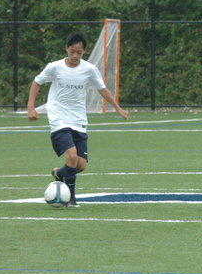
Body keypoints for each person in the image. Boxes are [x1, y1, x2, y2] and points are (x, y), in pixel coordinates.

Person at [27, 31, 128, 207]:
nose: (75, 55)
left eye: (79, 52)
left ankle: (60, 173)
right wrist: (30, 107)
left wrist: (117, 108)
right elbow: (37, 82)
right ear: (66, 49)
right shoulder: (55, 67)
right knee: (72, 156)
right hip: (59, 118)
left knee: (80, 165)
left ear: (84, 52)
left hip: (78, 120)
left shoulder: (89, 69)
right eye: (72, 51)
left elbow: (102, 89)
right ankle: (71, 199)